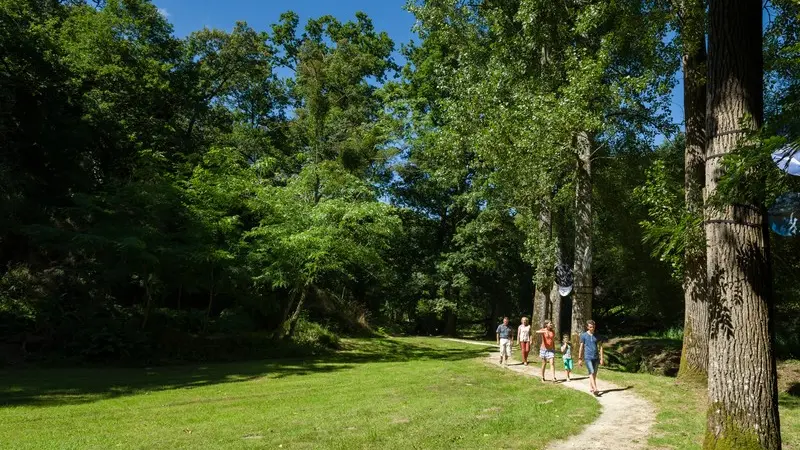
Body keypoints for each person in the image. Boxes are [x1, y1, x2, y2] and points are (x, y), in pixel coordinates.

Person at [578, 320, 604, 395]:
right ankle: (595, 388)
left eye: (593, 327)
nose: (592, 328)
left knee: (594, 374)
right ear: (587, 327)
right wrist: (580, 358)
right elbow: (581, 347)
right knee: (591, 372)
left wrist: (602, 358)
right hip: (588, 357)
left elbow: (601, 347)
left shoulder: (597, 336)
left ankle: (591, 386)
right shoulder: (584, 335)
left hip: (596, 358)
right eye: (590, 327)